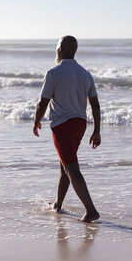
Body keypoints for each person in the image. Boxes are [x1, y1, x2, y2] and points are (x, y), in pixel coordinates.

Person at [33, 35, 100, 223]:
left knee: (71, 167)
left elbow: (42, 102)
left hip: (62, 126)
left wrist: (36, 121)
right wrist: (97, 130)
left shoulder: (53, 73)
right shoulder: (85, 74)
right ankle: (58, 204)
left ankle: (91, 210)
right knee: (65, 165)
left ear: (60, 49)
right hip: (80, 125)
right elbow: (95, 105)